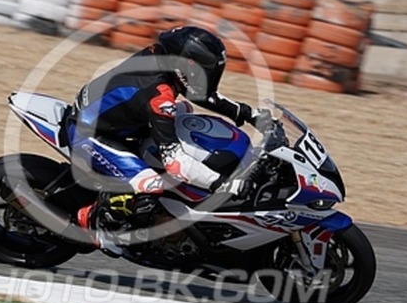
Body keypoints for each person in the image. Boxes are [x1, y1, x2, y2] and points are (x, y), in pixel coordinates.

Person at [66, 26, 271, 256]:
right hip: (88, 134)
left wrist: (249, 114)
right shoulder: (159, 95)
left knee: (184, 111)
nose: (208, 78)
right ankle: (94, 221)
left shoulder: (161, 58)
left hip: (115, 121)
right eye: (204, 72)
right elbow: (176, 164)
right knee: (152, 184)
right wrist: (224, 185)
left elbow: (200, 94)